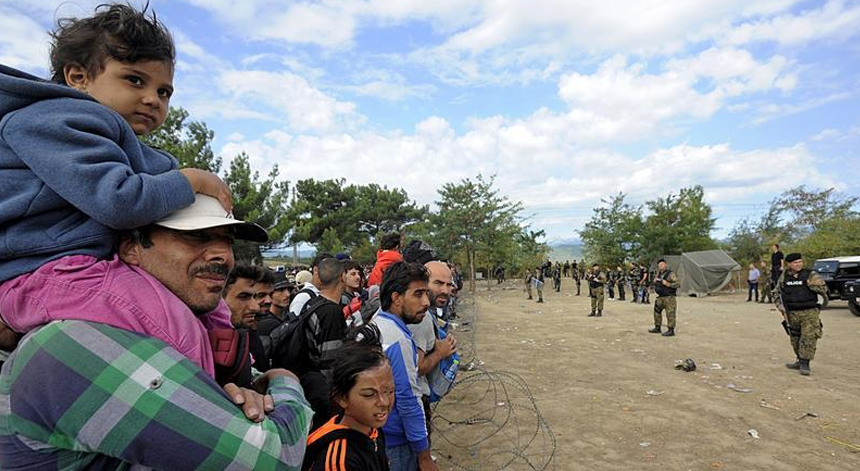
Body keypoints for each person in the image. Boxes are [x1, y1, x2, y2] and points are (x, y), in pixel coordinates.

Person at [0, 4, 236, 372]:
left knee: (213, 306)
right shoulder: (56, 120)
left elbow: (149, 171)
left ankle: (231, 368)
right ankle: (205, 406)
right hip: (36, 272)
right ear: (78, 76)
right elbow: (118, 202)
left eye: (164, 91)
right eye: (135, 80)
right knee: (171, 324)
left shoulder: (111, 137)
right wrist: (190, 180)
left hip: (81, 265)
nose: (152, 99)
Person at [0, 191, 313, 468]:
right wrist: (284, 381)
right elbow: (274, 458)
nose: (223, 256)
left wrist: (248, 392)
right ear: (131, 248)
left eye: (227, 242)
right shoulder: (76, 342)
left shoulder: (171, 329)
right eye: (198, 236)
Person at [371, 262, 437, 471]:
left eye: (426, 293)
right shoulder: (396, 339)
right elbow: (408, 397)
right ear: (396, 298)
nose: (426, 302)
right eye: (418, 294)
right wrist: (424, 455)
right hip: (397, 443)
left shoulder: (378, 322)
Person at [304, 324, 393, 471]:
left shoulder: (372, 429)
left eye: (389, 391)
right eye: (369, 395)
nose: (384, 402)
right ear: (342, 398)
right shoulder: (340, 461)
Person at [409, 261, 457, 445]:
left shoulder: (424, 313)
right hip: (414, 402)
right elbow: (415, 368)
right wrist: (441, 353)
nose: (446, 290)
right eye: (438, 283)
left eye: (449, 284)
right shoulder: (420, 318)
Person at [775, 253, 827, 376]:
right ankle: (799, 359)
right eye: (795, 262)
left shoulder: (810, 274)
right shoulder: (784, 276)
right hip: (791, 313)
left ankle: (805, 362)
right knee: (795, 338)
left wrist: (812, 285)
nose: (798, 264)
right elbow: (777, 292)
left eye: (800, 262)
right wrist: (780, 307)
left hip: (809, 312)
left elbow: (824, 290)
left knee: (808, 337)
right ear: (789, 264)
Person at [224, 263, 271, 372]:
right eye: (243, 297)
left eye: (254, 297)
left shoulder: (251, 339)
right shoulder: (200, 344)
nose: (255, 307)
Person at [288, 253, 333, 322]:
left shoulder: (326, 294)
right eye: (328, 269)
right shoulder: (303, 297)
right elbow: (293, 327)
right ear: (315, 270)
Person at [649, 259, 680, 336]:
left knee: (670, 314)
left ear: (665, 265)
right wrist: (655, 281)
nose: (660, 266)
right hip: (660, 297)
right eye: (659, 265)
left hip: (669, 297)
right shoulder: (658, 274)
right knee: (656, 312)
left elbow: (677, 284)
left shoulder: (671, 274)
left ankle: (671, 330)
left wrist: (667, 284)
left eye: (662, 265)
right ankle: (657, 327)